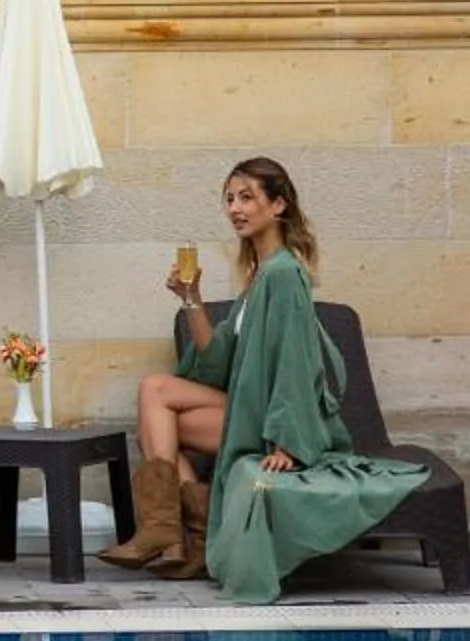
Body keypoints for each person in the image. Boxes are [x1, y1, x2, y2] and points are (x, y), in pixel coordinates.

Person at [96, 157, 426, 602]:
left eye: (247, 197)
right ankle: (173, 535)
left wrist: (287, 440)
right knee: (154, 393)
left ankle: (171, 534)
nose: (235, 208)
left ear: (278, 206)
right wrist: (192, 300)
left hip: (272, 420)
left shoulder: (284, 274)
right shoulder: (258, 277)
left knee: (157, 415)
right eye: (230, 199)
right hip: (249, 407)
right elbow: (217, 363)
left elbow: (297, 361)